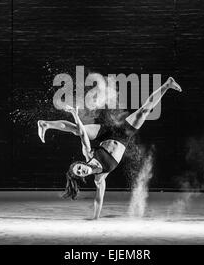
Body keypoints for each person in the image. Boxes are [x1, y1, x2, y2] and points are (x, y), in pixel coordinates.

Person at [38, 77, 182, 219]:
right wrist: (95, 218)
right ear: (83, 177)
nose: (82, 170)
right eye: (80, 173)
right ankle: (167, 84)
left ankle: (46, 124)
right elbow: (98, 199)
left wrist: (76, 115)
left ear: (81, 163)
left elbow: (82, 134)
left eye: (79, 168)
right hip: (123, 135)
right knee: (144, 111)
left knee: (76, 129)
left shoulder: (88, 154)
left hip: (105, 132)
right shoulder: (99, 178)